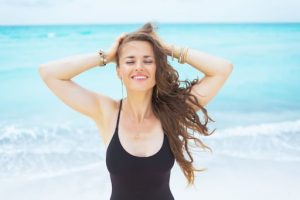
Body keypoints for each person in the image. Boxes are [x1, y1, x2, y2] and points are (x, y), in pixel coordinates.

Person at [38, 22, 233, 200]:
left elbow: (222, 69)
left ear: (158, 68)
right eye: (130, 61)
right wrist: (106, 56)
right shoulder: (107, 111)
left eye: (148, 61)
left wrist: (167, 49)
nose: (139, 67)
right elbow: (49, 73)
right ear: (119, 70)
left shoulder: (173, 111)